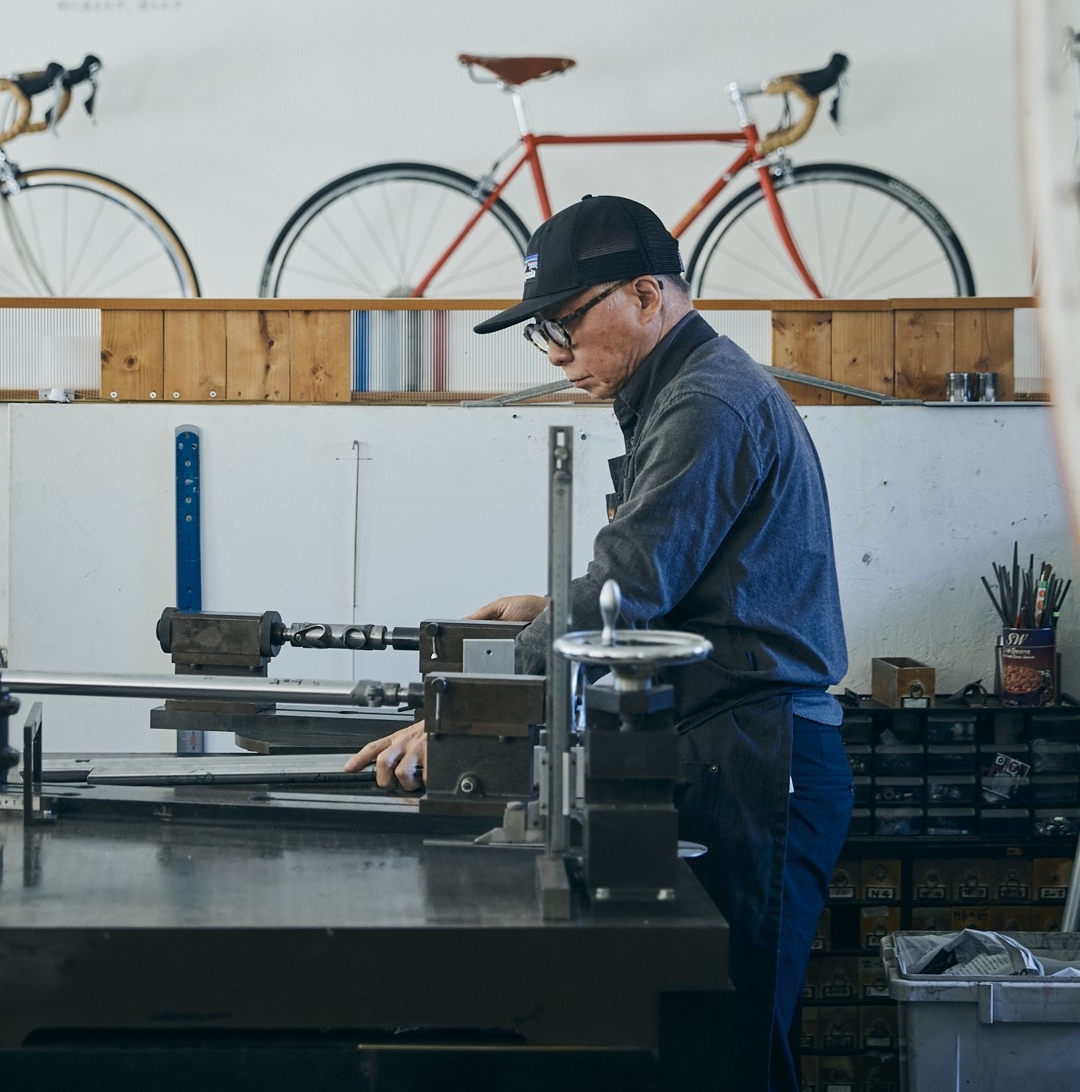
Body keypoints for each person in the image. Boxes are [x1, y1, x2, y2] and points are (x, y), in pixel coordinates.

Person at [344, 194, 854, 1092]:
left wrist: (475, 717)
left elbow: (628, 582)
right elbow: (679, 580)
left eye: (567, 323)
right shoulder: (681, 392)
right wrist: (550, 607)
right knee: (698, 1034)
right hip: (724, 747)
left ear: (648, 295)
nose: (555, 353)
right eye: (541, 332)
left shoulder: (708, 402)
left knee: (733, 1042)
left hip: (759, 759)